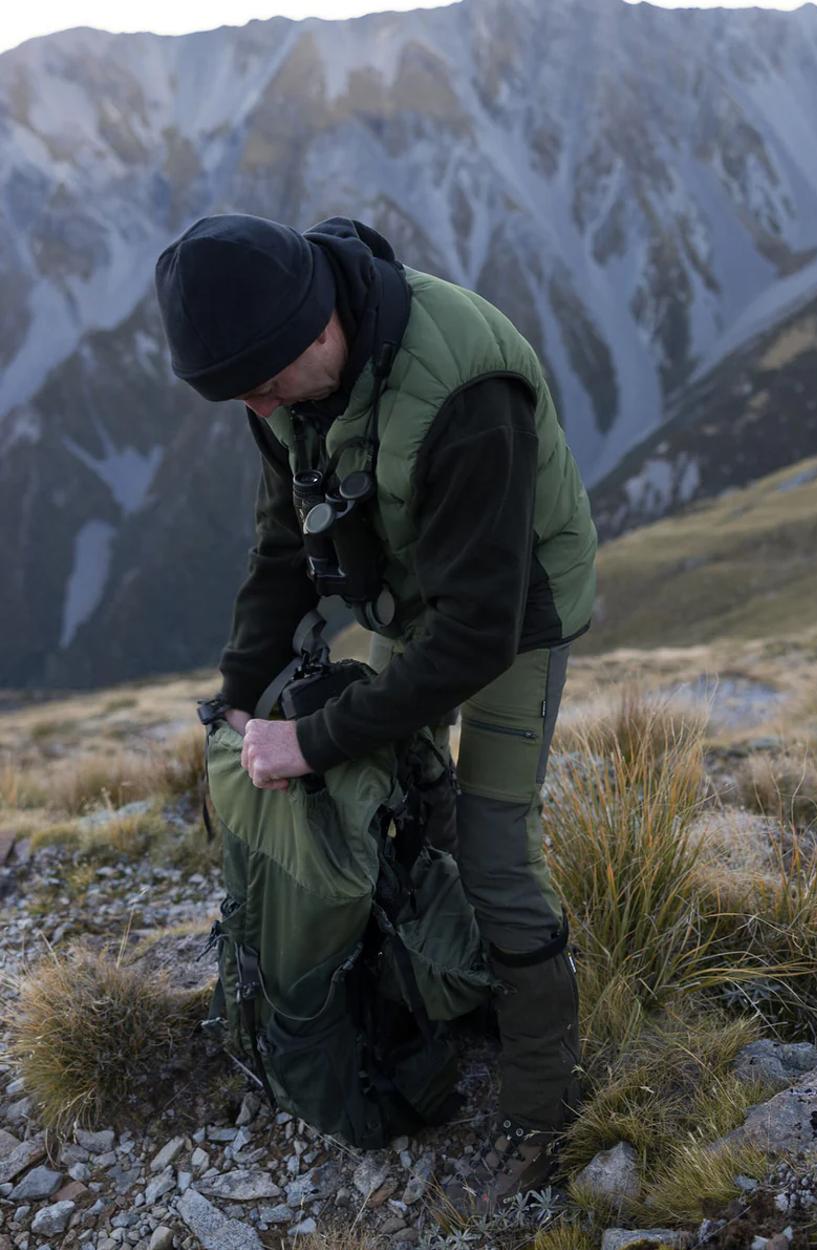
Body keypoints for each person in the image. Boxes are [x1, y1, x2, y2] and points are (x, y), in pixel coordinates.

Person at [154, 212, 598, 1212]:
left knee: (493, 850)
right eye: (240, 395)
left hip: (513, 614)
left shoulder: (466, 393)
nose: (258, 407)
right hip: (417, 594)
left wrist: (309, 738)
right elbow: (280, 553)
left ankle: (541, 1099)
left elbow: (478, 635)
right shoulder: (279, 376)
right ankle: (454, 987)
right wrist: (233, 700)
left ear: (319, 326)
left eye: (264, 385)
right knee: (412, 790)